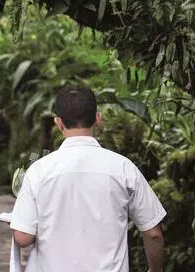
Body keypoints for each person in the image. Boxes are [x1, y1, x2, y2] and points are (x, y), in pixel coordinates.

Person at [10, 84, 166, 272]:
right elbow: (154, 233)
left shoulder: (38, 171)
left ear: (58, 123)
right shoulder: (124, 168)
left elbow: (23, 237)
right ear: (98, 118)